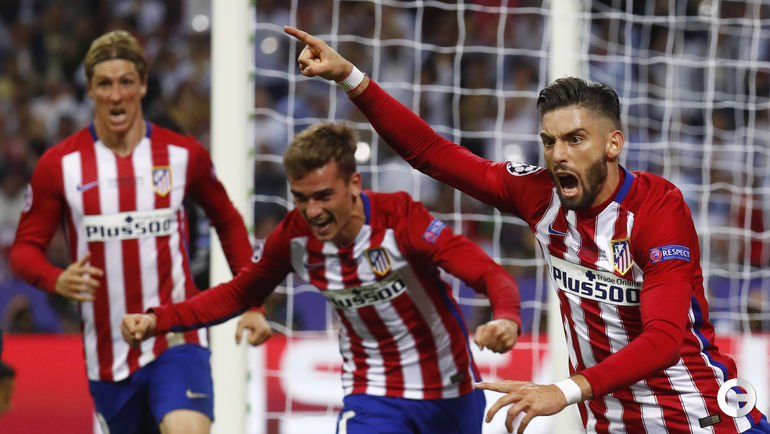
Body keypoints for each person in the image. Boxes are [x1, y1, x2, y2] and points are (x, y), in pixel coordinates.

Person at [282, 26, 770, 434]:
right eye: (549, 141)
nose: (559, 154)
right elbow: (430, 152)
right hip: (611, 422)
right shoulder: (537, 195)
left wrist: (561, 391)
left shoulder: (657, 208)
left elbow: (663, 339)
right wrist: (350, 77)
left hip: (700, 416)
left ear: (613, 144)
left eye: (575, 139)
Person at [121, 121, 522, 434]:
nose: (312, 211)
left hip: (450, 389)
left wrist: (506, 317)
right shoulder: (293, 237)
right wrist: (158, 320)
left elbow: (488, 273)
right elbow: (238, 293)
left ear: (353, 184)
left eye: (323, 196)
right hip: (373, 394)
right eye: (301, 198)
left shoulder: (400, 219)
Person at [9, 30, 271, 434]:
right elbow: (24, 250)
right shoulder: (59, 165)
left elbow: (228, 220)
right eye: (105, 84)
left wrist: (252, 302)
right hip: (108, 355)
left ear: (143, 85)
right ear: (90, 89)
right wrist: (55, 278)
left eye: (126, 82)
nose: (116, 95)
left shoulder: (183, 154)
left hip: (177, 340)